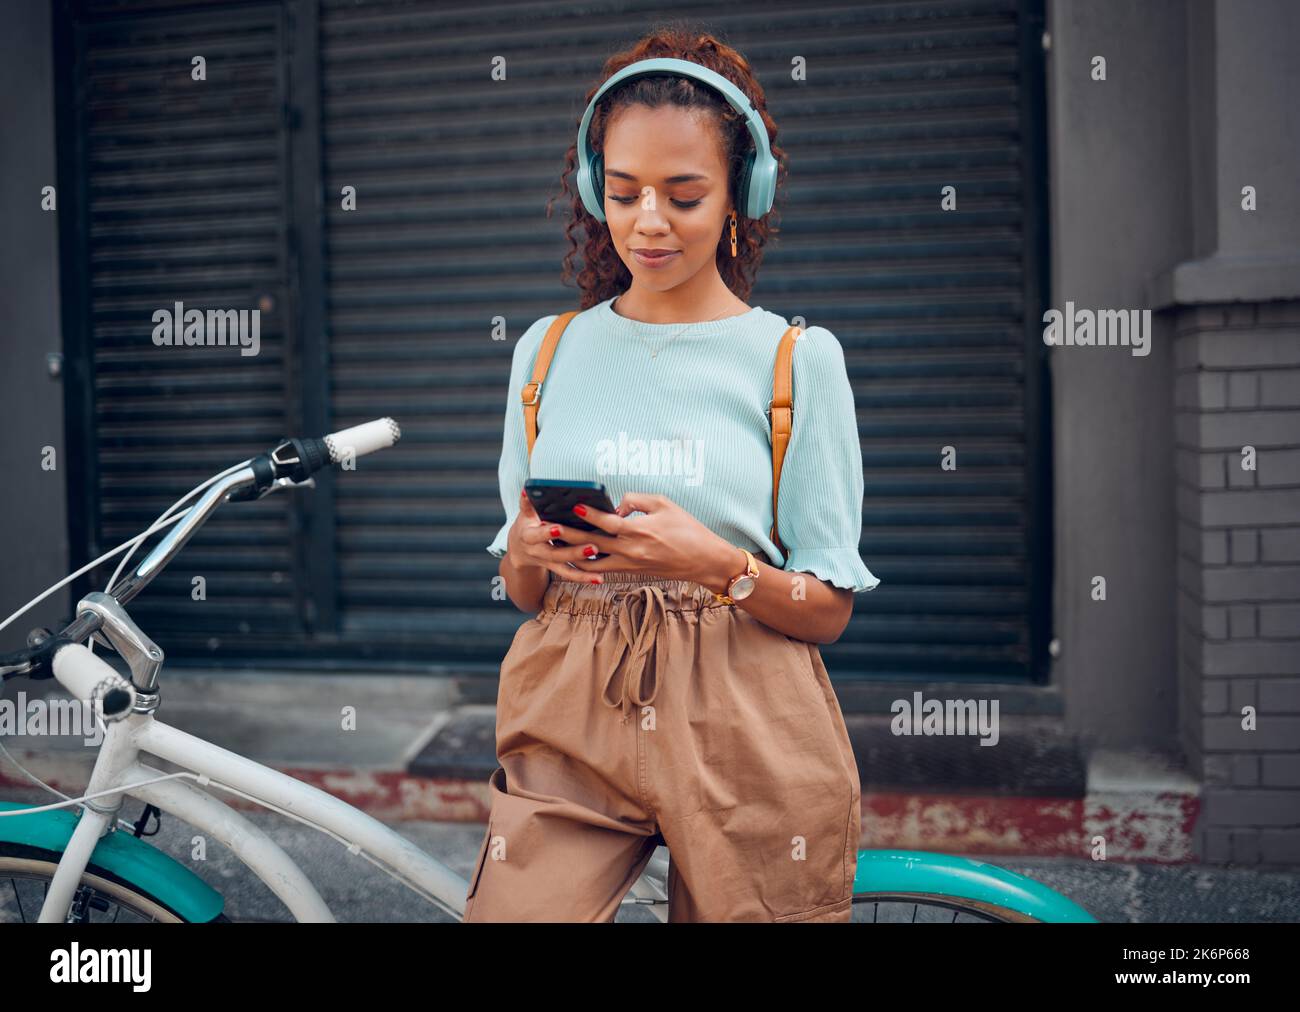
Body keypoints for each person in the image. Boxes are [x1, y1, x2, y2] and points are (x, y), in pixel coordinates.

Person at [463, 27, 881, 923]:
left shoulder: (796, 361)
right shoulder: (546, 351)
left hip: (748, 714)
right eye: (624, 193)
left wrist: (713, 563)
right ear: (592, 192)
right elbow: (524, 593)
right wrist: (531, 550)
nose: (649, 221)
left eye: (684, 196)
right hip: (569, 702)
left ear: (743, 196)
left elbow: (830, 611)